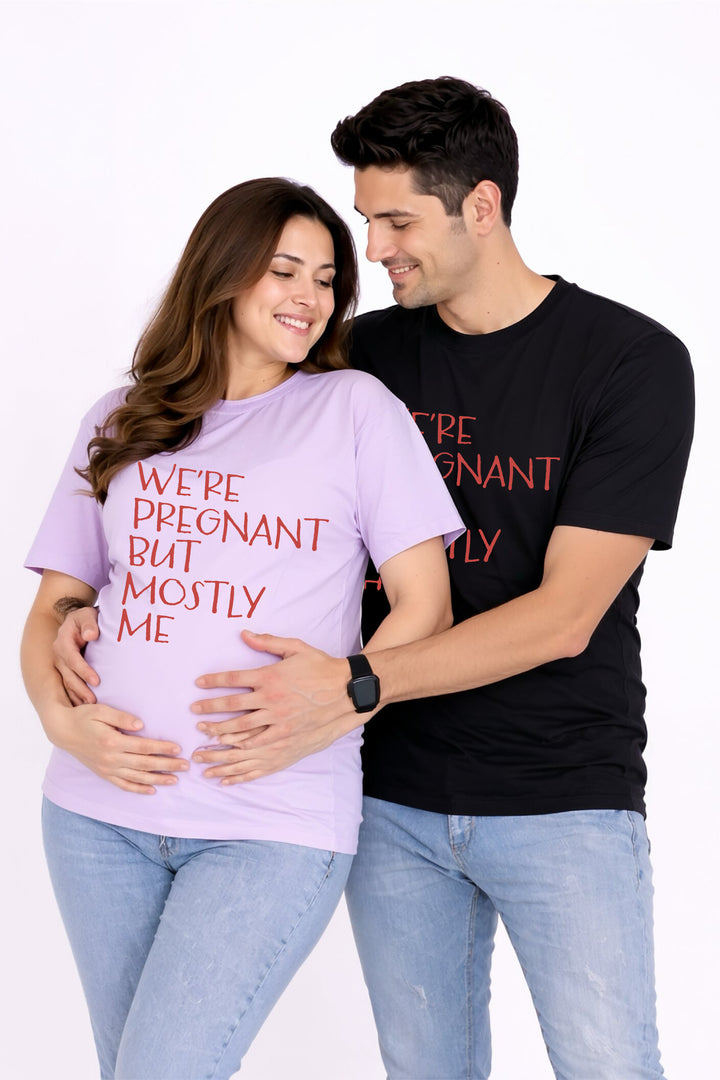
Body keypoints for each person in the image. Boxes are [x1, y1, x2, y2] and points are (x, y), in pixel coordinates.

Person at [54, 80, 695, 1079]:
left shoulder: (629, 362)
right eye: (366, 221)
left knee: (611, 1064)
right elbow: (225, 502)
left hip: (560, 788)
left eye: (395, 220)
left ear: (480, 206)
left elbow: (566, 617)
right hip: (390, 792)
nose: (373, 251)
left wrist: (352, 685)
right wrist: (80, 614)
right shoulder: (360, 357)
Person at [21, 176, 464, 1080]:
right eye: (283, 270)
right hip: (96, 814)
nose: (310, 296)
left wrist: (343, 699)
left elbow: (427, 606)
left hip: (271, 819)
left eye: (328, 277)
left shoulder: (354, 411)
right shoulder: (121, 420)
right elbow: (52, 610)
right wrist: (59, 720)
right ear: (221, 274)